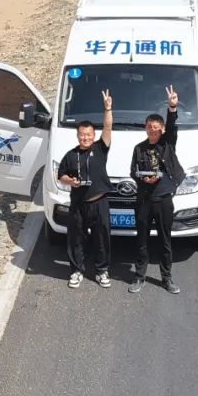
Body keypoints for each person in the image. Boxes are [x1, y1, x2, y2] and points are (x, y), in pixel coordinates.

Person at [128, 84, 186, 294]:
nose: (152, 130)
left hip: (163, 201)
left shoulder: (167, 144)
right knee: (141, 241)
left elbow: (172, 126)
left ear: (161, 129)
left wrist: (172, 107)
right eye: (149, 127)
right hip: (144, 200)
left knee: (165, 241)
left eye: (156, 127)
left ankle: (167, 278)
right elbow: (133, 172)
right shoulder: (139, 148)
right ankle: (139, 277)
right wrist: (144, 179)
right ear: (145, 128)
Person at [56, 90, 113, 289]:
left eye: (89, 135)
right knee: (76, 239)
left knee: (102, 238)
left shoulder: (100, 148)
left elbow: (108, 127)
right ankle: (76, 271)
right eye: (82, 135)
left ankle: (102, 271)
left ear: (93, 135)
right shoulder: (70, 155)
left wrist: (107, 109)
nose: (85, 138)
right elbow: (61, 175)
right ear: (78, 135)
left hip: (99, 202)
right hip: (79, 204)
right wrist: (70, 182)